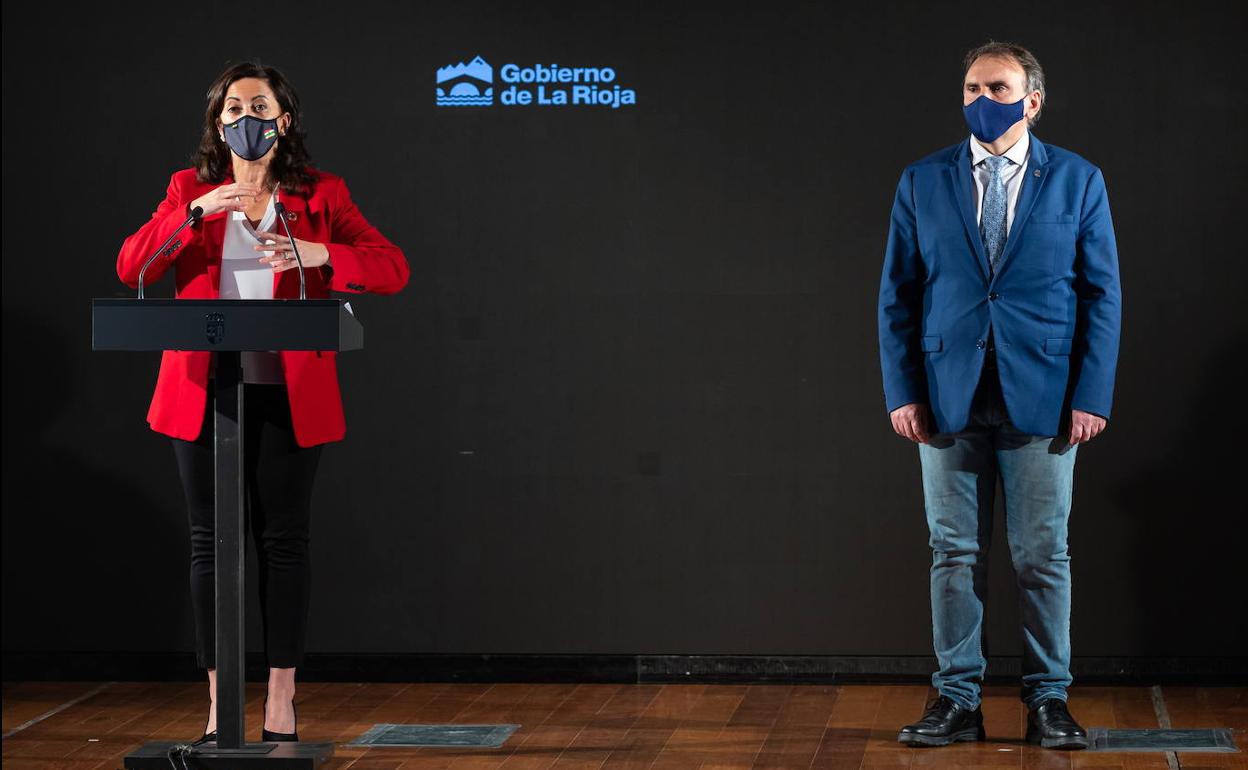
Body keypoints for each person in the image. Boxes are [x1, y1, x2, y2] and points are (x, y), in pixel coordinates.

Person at [116, 62, 409, 743]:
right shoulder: (189, 188)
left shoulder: (320, 193)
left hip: (286, 393)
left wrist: (320, 250)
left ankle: (280, 700)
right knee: (209, 543)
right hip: (202, 393)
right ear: (217, 124)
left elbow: (393, 266)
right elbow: (134, 267)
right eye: (234, 109)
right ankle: (220, 702)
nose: (247, 119)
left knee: (283, 541)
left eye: (261, 106)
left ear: (285, 119)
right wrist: (190, 217)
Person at [877, 41, 1121, 750]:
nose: (985, 99)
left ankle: (1049, 702)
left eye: (1001, 86)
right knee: (953, 554)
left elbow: (1103, 296)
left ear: (1033, 99)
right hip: (947, 398)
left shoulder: (1078, 181)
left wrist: (1092, 394)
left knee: (1042, 556)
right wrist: (903, 390)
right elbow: (897, 295)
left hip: (1044, 397)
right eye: (974, 87)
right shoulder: (922, 181)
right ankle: (957, 701)